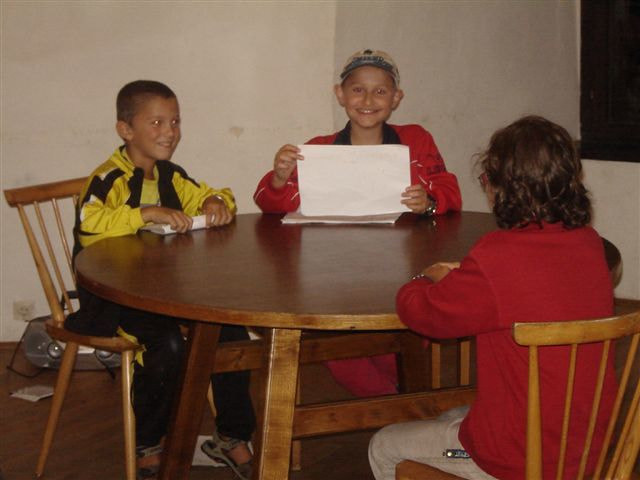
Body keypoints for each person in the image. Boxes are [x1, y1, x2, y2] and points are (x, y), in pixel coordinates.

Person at [368, 115, 617, 479]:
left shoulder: (496, 255)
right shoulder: (588, 244)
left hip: (521, 458)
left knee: (385, 445)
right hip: (588, 447)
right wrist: (470, 278)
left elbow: (425, 315)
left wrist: (424, 278)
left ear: (502, 188)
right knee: (453, 416)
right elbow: (526, 287)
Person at [65, 80, 255, 480]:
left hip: (166, 293)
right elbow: (89, 222)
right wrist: (145, 213)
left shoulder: (172, 176)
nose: (170, 132)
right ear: (125, 129)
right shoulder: (109, 178)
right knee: (165, 345)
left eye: (175, 121)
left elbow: (216, 194)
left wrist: (216, 202)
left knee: (231, 332)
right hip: (115, 299)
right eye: (156, 122)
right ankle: (148, 442)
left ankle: (231, 435)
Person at [253, 49, 462, 397]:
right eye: (357, 90)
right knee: (337, 348)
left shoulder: (416, 140)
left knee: (406, 335)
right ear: (340, 94)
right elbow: (268, 203)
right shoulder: (317, 149)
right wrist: (279, 177)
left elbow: (450, 190)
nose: (367, 100)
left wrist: (429, 201)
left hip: (402, 267)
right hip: (335, 270)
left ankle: (402, 406)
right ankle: (397, 408)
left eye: (380, 91)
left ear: (396, 98)